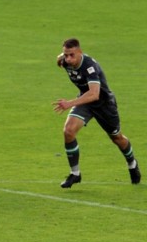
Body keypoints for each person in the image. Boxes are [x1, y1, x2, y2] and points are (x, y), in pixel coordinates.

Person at [53, 38, 140, 187]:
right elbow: (59, 59)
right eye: (66, 55)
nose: (68, 58)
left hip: (104, 105)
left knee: (117, 138)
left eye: (71, 55)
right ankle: (75, 174)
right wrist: (61, 58)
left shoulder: (90, 67)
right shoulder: (65, 61)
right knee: (68, 131)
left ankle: (132, 163)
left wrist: (69, 103)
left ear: (80, 52)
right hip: (85, 103)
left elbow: (94, 94)